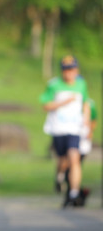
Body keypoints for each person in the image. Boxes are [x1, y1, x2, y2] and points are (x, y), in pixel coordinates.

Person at [40, 55, 91, 208]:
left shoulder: (82, 84)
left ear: (76, 70)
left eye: (72, 69)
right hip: (58, 128)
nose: (69, 73)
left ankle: (74, 192)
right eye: (66, 70)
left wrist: (86, 122)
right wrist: (64, 102)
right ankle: (60, 176)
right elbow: (46, 105)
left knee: (74, 157)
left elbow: (86, 103)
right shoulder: (54, 85)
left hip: (75, 128)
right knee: (63, 161)